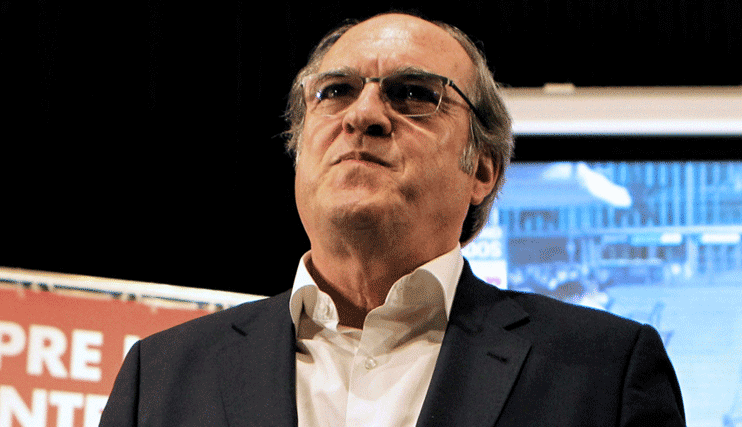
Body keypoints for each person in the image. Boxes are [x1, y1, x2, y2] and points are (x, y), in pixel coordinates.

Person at [99, 12, 685, 426]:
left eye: (413, 94)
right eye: (335, 91)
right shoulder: (162, 376)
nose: (364, 115)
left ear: (482, 169)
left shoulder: (604, 373)